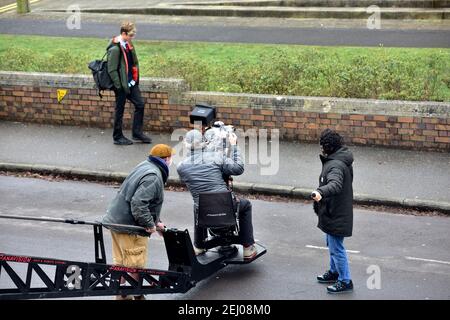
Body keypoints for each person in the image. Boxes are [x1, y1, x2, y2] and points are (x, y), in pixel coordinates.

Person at [102, 144, 175, 300]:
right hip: (130, 227)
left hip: (117, 221)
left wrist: (157, 222)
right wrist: (149, 224)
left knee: (122, 263)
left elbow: (145, 201)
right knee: (135, 265)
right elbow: (138, 203)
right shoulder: (154, 176)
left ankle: (121, 296)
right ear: (166, 159)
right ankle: (136, 295)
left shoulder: (144, 166)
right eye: (171, 158)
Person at [177, 129, 257, 260]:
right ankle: (248, 247)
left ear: (186, 145)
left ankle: (199, 245)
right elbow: (238, 168)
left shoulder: (181, 167)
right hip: (226, 206)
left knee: (197, 205)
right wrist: (234, 146)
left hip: (204, 211)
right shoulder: (217, 157)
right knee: (246, 205)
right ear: (204, 142)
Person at [311, 129, 354, 294]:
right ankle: (334, 272)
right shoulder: (338, 159)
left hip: (337, 213)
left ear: (327, 147)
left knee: (336, 248)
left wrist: (320, 192)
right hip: (332, 210)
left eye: (322, 145)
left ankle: (345, 280)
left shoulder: (335, 165)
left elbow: (335, 184)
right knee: (332, 244)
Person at [107, 21, 152, 145]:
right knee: (119, 110)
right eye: (131, 35)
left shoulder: (128, 44)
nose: (132, 38)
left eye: (133, 35)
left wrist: (134, 80)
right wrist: (119, 86)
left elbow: (133, 63)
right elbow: (112, 70)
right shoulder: (115, 49)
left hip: (131, 83)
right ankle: (117, 137)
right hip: (121, 85)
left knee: (140, 104)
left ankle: (137, 133)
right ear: (123, 33)